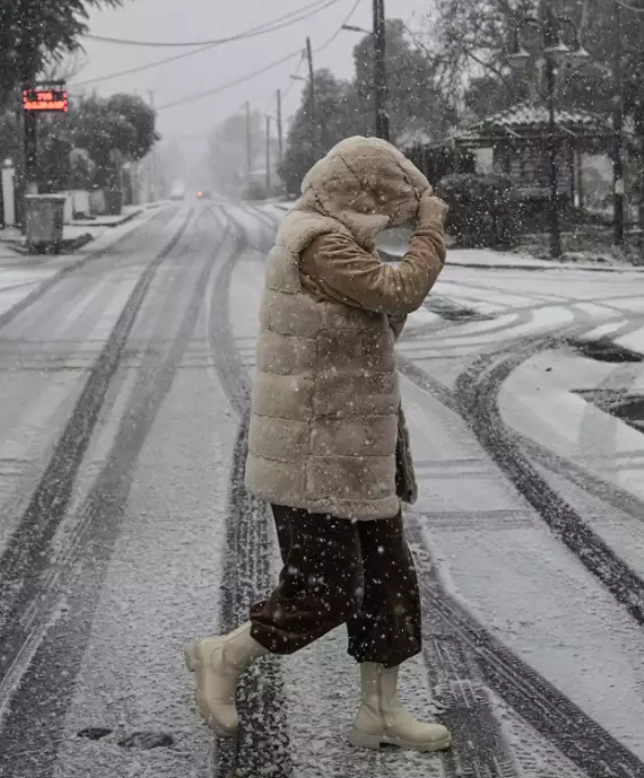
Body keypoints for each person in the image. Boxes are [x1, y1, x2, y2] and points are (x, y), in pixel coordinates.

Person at [184, 136, 451, 752]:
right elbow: (400, 290)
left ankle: (379, 714)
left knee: (388, 586)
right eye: (386, 204)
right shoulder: (317, 241)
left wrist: (408, 257)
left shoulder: (339, 240)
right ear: (358, 194)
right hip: (314, 454)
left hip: (360, 448)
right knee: (325, 588)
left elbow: (380, 319)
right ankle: (223, 655)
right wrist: (430, 233)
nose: (393, 217)